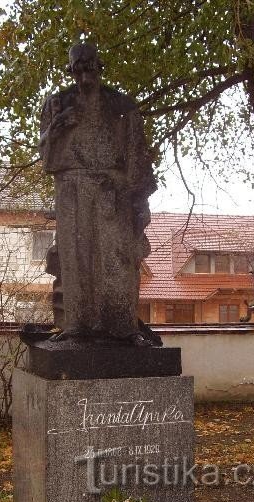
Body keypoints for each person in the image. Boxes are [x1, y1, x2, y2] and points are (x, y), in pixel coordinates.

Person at [39, 43, 156, 344]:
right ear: (71, 71)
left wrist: (139, 201)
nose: (84, 76)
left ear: (99, 67)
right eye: (78, 69)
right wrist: (57, 128)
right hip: (72, 190)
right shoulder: (57, 104)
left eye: (89, 67)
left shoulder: (122, 106)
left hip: (112, 190)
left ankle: (123, 329)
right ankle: (76, 325)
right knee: (75, 258)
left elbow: (138, 155)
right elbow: (48, 161)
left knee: (117, 259)